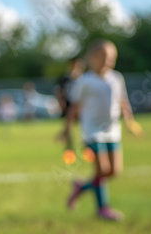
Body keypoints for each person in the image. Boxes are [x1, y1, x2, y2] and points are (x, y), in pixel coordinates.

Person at [59, 39, 143, 221]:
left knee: (114, 171)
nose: (108, 61)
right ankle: (102, 208)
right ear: (92, 58)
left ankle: (81, 187)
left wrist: (130, 122)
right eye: (103, 56)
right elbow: (74, 107)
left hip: (113, 130)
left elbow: (123, 102)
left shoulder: (116, 78)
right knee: (102, 169)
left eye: (112, 57)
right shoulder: (85, 81)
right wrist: (66, 129)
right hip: (92, 131)